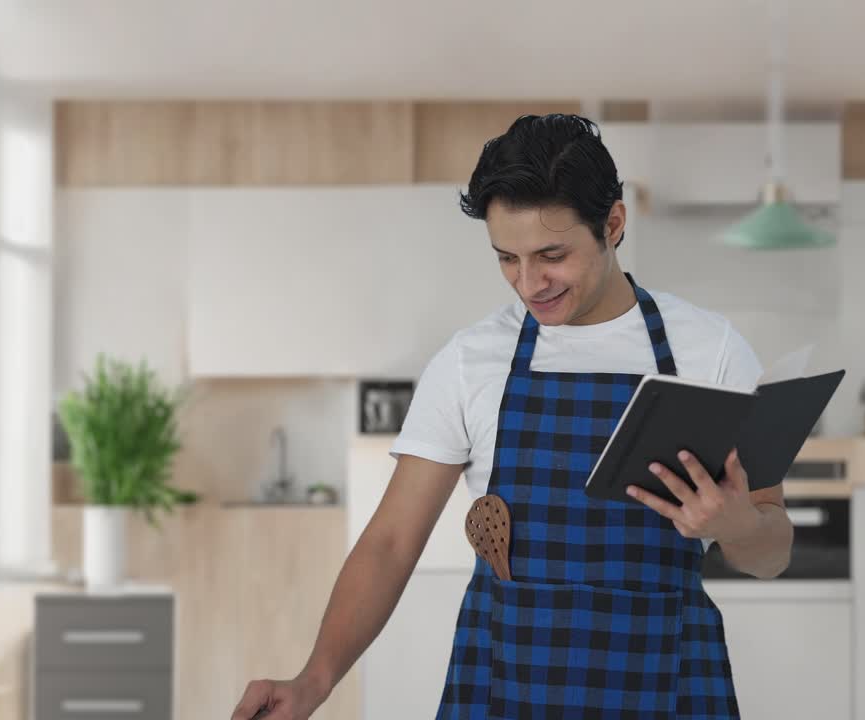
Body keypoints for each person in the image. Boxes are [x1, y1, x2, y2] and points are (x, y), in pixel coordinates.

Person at [230, 114, 794, 720]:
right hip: (507, 684)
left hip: (668, 684)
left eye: (552, 255)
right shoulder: (474, 361)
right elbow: (391, 544)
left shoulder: (709, 351)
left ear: (613, 224)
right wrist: (314, 680)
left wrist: (738, 527)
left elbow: (773, 551)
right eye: (507, 258)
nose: (529, 283)